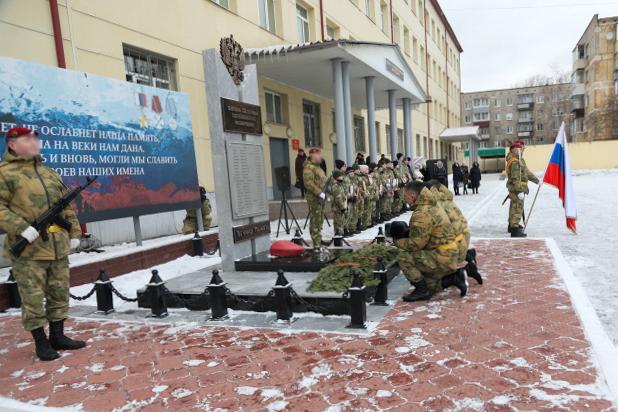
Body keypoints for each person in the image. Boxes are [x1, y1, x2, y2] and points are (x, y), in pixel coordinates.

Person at [0, 127, 85, 361]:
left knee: (59, 293)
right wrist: (20, 227)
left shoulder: (50, 173)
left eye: (35, 138)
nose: (34, 142)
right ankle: (41, 342)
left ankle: (58, 336)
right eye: (27, 139)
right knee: (33, 298)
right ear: (12, 144)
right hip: (29, 250)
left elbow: (64, 206)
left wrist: (74, 232)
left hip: (57, 247)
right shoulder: (5, 174)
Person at [394, 181, 466, 302]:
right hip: (448, 254)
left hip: (442, 256)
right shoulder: (432, 204)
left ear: (412, 196)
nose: (404, 200)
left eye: (405, 197)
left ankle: (421, 291)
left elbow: (416, 244)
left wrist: (396, 241)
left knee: (403, 256)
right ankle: (454, 278)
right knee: (431, 285)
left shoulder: (422, 212)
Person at [427, 180, 483, 285]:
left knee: (430, 267)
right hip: (463, 238)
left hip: (454, 245)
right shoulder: (446, 199)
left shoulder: (437, 204)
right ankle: (469, 257)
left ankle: (461, 273)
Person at [506, 140, 539, 237]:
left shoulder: (518, 160)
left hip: (518, 188)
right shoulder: (515, 162)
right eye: (520, 149)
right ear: (515, 150)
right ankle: (514, 230)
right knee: (517, 208)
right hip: (518, 188)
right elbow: (515, 178)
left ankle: (512, 226)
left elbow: (526, 172)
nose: (522, 150)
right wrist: (519, 190)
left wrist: (537, 180)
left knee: (514, 207)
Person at [303, 148, 327, 248]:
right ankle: (316, 242)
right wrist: (319, 192)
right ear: (312, 155)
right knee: (315, 219)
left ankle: (319, 239)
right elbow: (308, 183)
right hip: (314, 198)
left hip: (320, 197)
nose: (320, 156)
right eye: (318, 154)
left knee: (320, 219)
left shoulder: (317, 167)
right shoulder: (309, 167)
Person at [330, 170, 347, 237]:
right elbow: (338, 198)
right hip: (338, 208)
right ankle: (338, 236)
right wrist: (342, 207)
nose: (342, 177)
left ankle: (340, 234)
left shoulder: (339, 185)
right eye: (341, 176)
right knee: (338, 222)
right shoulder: (336, 186)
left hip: (340, 207)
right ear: (337, 177)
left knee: (341, 221)